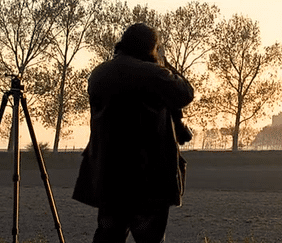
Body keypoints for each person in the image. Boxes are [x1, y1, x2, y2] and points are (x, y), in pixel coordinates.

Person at [72, 23, 194, 243]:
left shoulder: (99, 74)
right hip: (147, 179)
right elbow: (185, 93)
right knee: (149, 238)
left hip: (109, 177)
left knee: (108, 235)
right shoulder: (154, 74)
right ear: (151, 48)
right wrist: (164, 63)